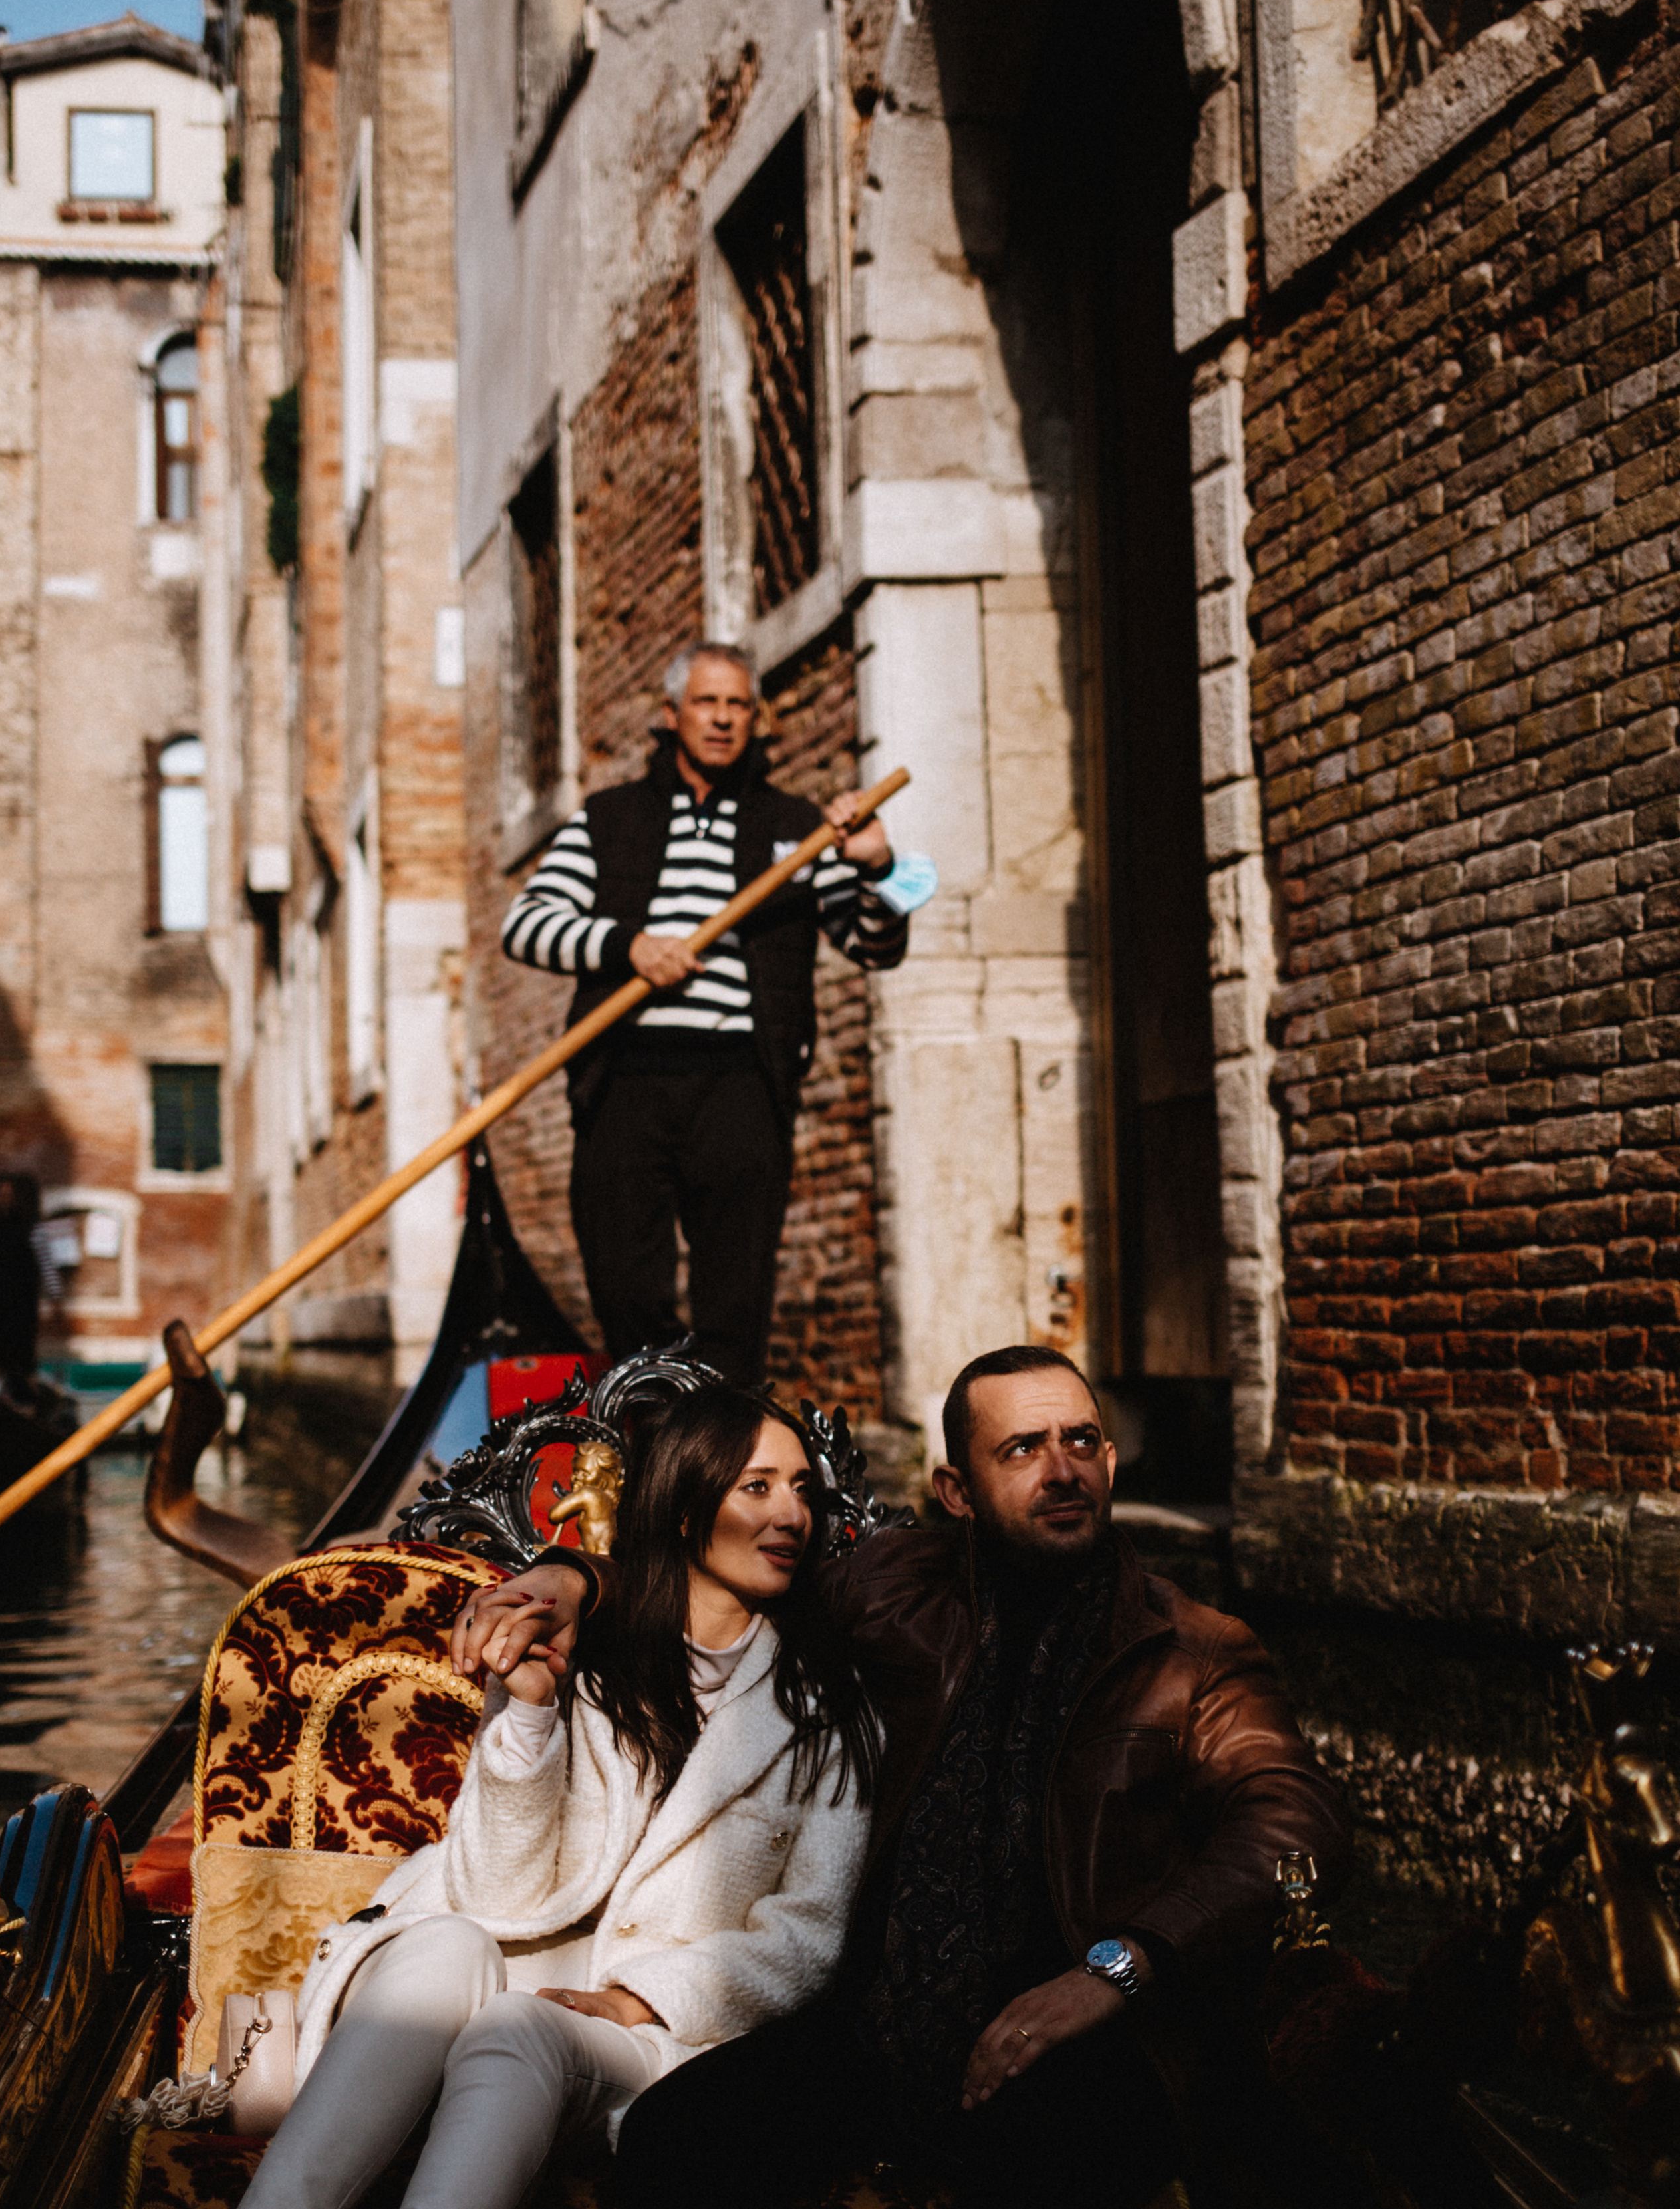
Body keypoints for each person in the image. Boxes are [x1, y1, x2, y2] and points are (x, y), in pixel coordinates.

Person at [458, 1346, 1351, 2209]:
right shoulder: (888, 1592)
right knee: (670, 2139)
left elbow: (1291, 1819)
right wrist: (576, 1580)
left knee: (1046, 2159)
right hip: (875, 2022)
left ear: (1112, 1461)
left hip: (1092, 2033)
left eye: (1081, 1441)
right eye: (1022, 1449)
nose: (1063, 1469)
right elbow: (712, 1585)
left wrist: (1112, 1970)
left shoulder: (1195, 1648)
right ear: (956, 1491)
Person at [243, 1384, 879, 2209]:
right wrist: (533, 1716)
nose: (790, 1513)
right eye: (755, 1486)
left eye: (802, 1489)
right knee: (446, 1945)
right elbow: (493, 1894)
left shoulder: (829, 1705)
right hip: (476, 1976)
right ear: (684, 1507)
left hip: (653, 2035)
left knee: (520, 2028)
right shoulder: (581, 1652)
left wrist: (641, 1996)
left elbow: (808, 1935)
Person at [499, 642, 913, 1382]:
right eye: (706, 702)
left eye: (737, 706)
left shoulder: (799, 827)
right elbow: (525, 924)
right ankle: (658, 1436)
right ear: (671, 715)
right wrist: (627, 946)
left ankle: (722, 1463)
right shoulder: (608, 817)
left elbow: (874, 945)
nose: (722, 719)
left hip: (742, 1080)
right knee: (625, 1288)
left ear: (755, 720)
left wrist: (878, 865)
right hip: (624, 1077)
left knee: (736, 1298)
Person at [0, 1171, 44, 1398]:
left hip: (19, 1304)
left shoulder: (27, 1227)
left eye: (9, 1195)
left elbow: (42, 1265)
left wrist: (53, 1300)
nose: (5, 1199)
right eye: (1, 1194)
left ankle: (21, 1397)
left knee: (19, 1356)